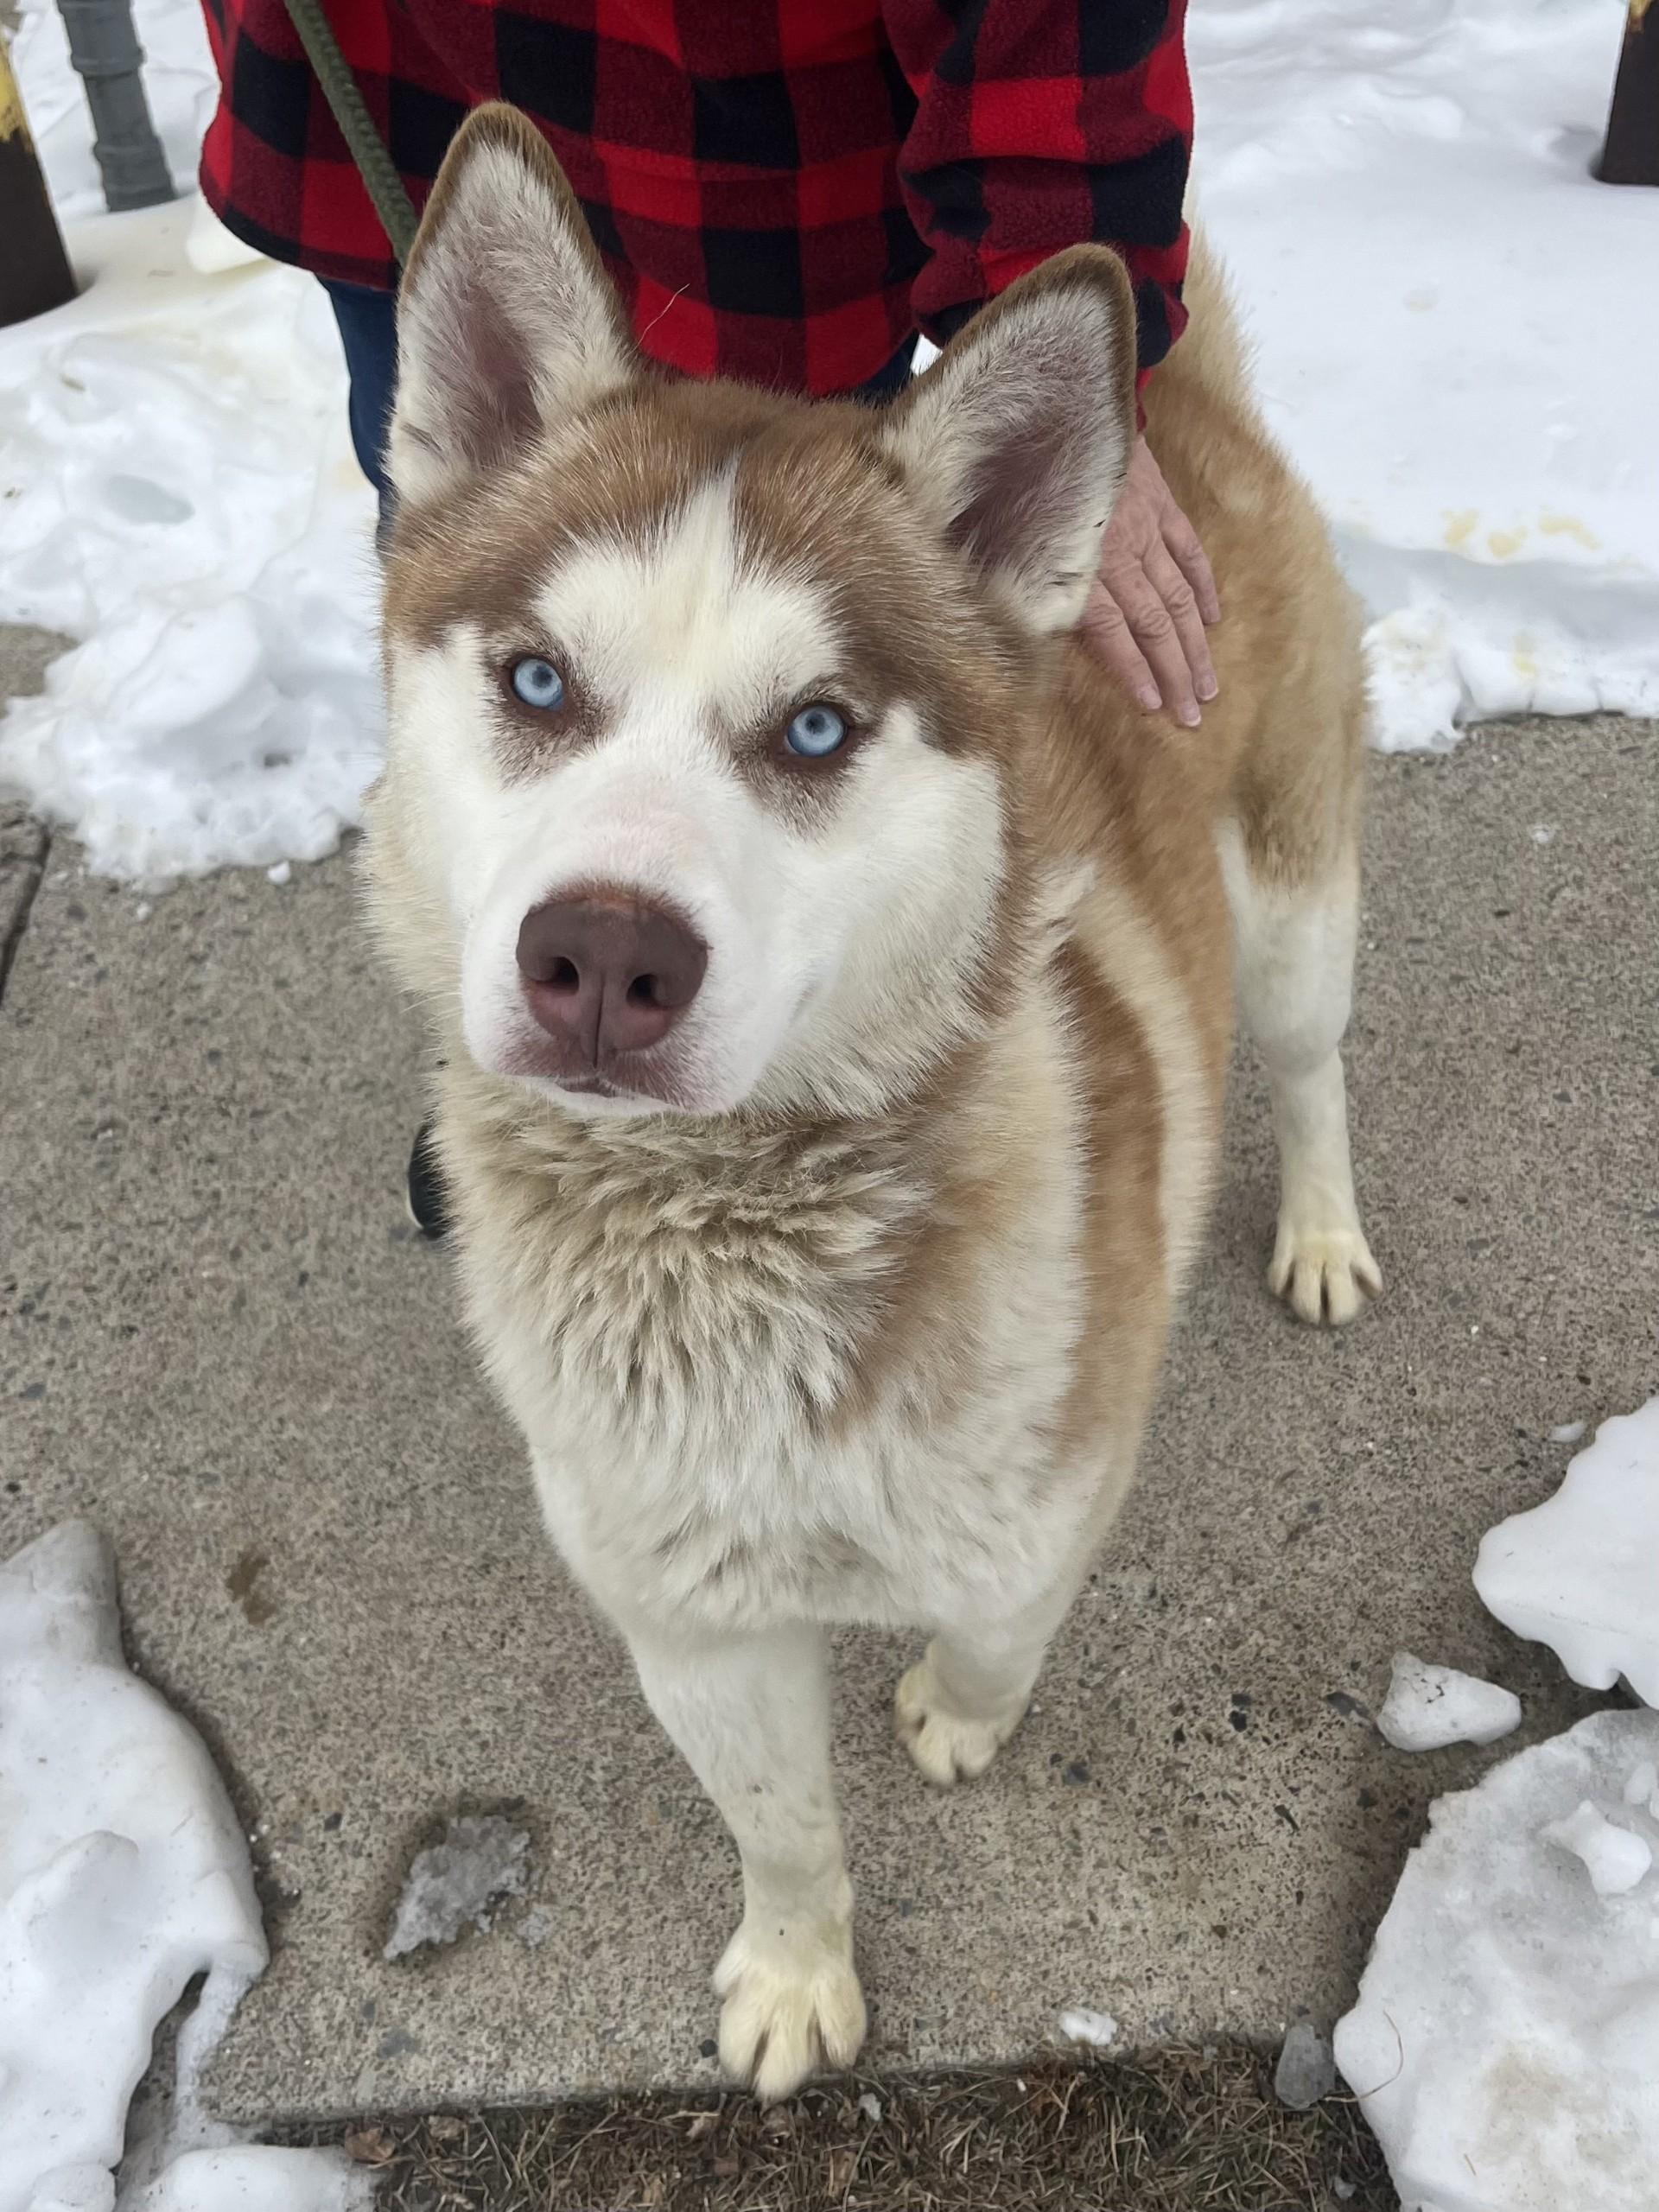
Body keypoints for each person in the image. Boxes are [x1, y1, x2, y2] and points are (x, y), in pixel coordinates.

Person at [197, 0, 1220, 1231]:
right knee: (477, 553)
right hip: (383, 76)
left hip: (753, 146)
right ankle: (515, 1059)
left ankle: (761, 1044)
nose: (618, 922)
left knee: (786, 587)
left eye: (811, 732)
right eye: (540, 685)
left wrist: (1062, 240)